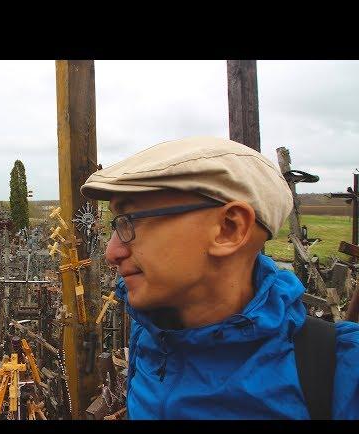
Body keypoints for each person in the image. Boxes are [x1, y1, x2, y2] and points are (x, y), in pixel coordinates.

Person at [80, 136, 359, 419]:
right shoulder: (151, 334)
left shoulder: (340, 371)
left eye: (130, 221)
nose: (111, 252)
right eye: (115, 224)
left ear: (229, 228)